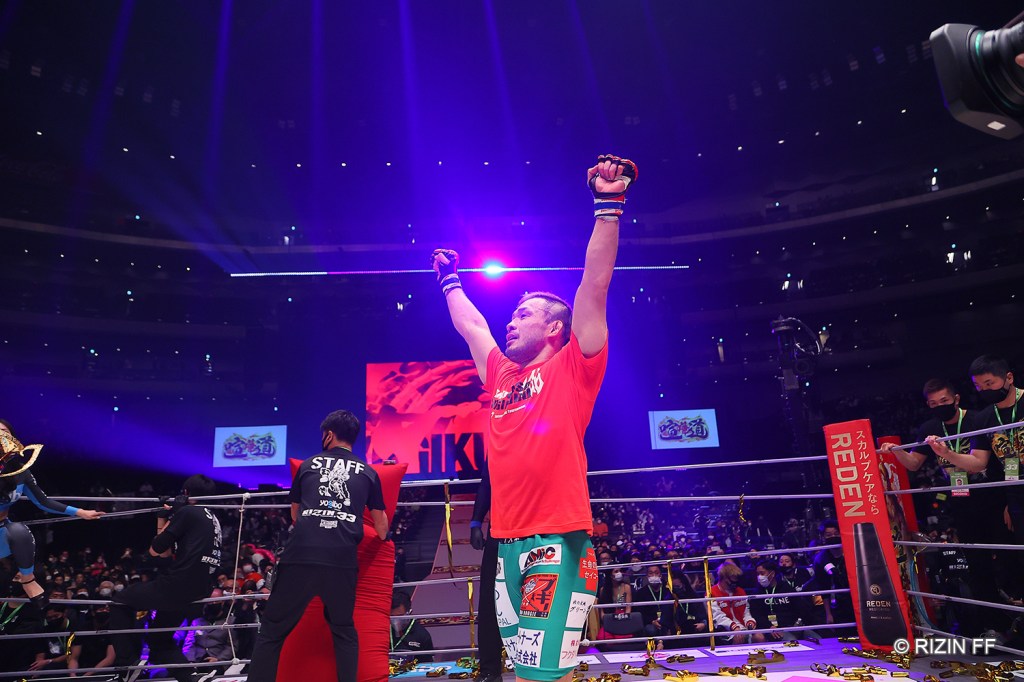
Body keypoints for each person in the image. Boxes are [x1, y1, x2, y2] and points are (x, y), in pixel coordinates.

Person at [432, 154, 636, 682]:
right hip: (507, 542)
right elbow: (472, 326)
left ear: (554, 329)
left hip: (557, 537)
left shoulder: (576, 365)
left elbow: (594, 283)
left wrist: (608, 204)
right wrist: (450, 280)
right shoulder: (500, 374)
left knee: (543, 673)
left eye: (524, 315)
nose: (510, 321)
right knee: (535, 671)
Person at [247, 410, 388, 682]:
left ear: (329, 435)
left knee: (273, 630)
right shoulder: (369, 473)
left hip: (301, 555)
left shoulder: (308, 465)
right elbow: (382, 530)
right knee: (344, 631)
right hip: (341, 560)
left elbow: (295, 515)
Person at [880, 376, 1008, 635]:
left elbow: (979, 462)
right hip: (961, 501)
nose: (939, 406)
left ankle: (1014, 616)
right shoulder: (930, 426)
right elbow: (914, 464)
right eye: (933, 403)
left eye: (944, 401)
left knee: (1007, 557)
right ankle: (994, 626)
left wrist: (945, 453)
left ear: (956, 399)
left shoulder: (976, 420)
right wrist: (896, 450)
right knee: (976, 563)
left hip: (992, 497)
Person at [109, 474, 223, 682]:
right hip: (198, 590)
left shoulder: (188, 512)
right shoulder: (212, 518)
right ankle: (192, 679)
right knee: (159, 640)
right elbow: (165, 555)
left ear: (186, 493)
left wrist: (171, 516)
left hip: (177, 585)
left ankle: (127, 664)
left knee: (119, 601)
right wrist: (164, 517)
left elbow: (156, 551)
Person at [0, 419, 104, 609]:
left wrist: (80, 512)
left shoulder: (21, 471)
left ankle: (28, 580)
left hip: (1, 533)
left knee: (19, 531)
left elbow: (43, 502)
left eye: (4, 432)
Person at [469, 462, 502, 682]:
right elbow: (487, 482)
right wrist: (475, 522)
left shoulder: (538, 434)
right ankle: (490, 671)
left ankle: (533, 667)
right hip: (500, 530)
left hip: (535, 531)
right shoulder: (499, 437)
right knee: (489, 603)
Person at [810, 520, 855, 635]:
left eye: (836, 533)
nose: (833, 536)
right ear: (823, 537)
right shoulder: (820, 559)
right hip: (838, 603)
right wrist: (828, 614)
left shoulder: (852, 551)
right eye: (829, 535)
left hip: (857, 598)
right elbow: (824, 589)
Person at [709, 562, 764, 644]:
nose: (736, 581)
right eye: (733, 578)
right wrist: (734, 627)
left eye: (737, 578)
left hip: (743, 628)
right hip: (724, 630)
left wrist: (750, 622)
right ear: (724, 578)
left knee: (760, 637)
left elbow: (746, 612)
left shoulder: (741, 591)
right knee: (738, 637)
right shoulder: (711, 593)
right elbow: (717, 617)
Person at [389, 591, 434, 663]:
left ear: (409, 613)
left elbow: (427, 664)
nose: (395, 621)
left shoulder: (422, 635)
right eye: (392, 617)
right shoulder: (382, 631)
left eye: (399, 616)